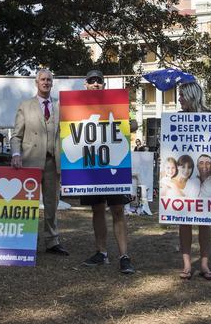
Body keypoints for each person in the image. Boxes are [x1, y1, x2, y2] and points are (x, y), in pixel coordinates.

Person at [79, 70, 135, 274]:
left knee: (118, 209)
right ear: (85, 84)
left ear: (103, 85)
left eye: (99, 81)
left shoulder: (115, 103)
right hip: (91, 165)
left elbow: (131, 124)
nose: (95, 84)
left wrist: (130, 124)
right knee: (97, 209)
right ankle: (101, 253)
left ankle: (124, 256)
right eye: (91, 81)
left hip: (114, 164)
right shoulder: (76, 106)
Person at [10, 68, 68, 256]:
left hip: (53, 163)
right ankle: (24, 241)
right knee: (27, 205)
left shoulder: (61, 106)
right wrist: (16, 154)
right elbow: (16, 136)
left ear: (52, 83)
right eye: (42, 79)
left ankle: (52, 241)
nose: (46, 82)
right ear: (36, 82)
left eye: (49, 80)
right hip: (30, 162)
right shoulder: (25, 106)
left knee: (52, 204)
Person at [176, 81, 211, 281]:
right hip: (186, 178)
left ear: (192, 95)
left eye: (182, 95)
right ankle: (186, 264)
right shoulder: (176, 119)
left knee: (205, 222)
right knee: (184, 221)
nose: (179, 99)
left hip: (205, 179)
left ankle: (204, 264)